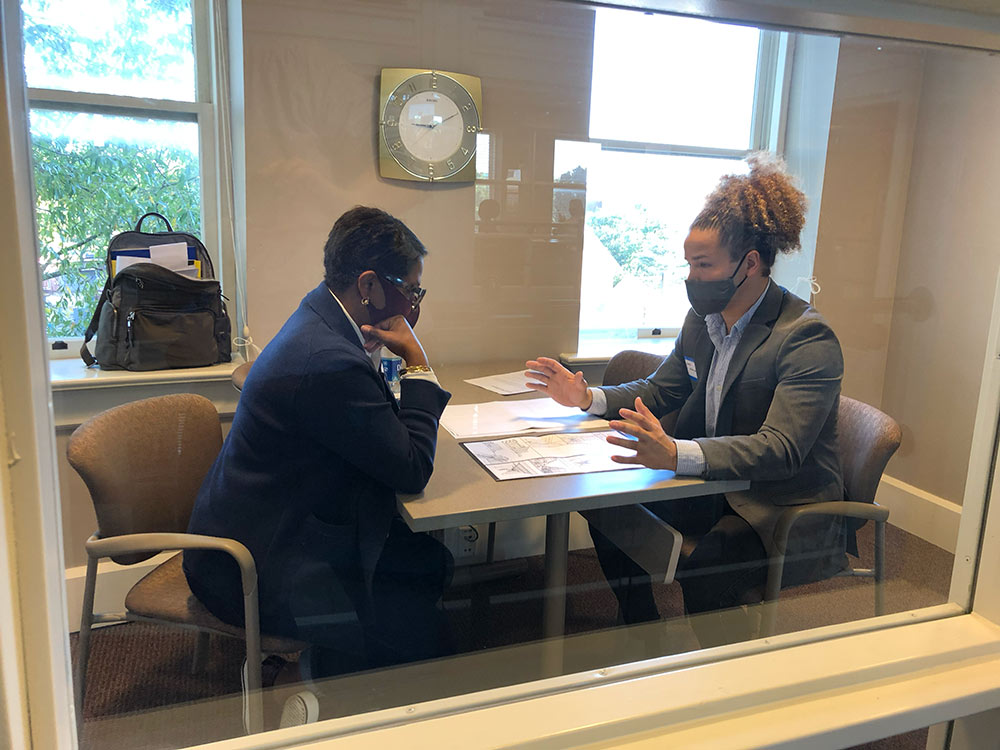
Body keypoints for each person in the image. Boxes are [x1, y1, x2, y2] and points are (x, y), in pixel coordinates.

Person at [525, 154, 845, 647]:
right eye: (688, 264)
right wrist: (587, 396)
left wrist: (677, 454)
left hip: (777, 505)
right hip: (714, 486)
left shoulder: (805, 338)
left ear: (750, 264)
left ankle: (730, 675)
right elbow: (660, 390)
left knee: (707, 569)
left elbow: (781, 450)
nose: (692, 278)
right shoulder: (704, 320)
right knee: (608, 508)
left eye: (704, 265)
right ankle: (644, 629)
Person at [183, 206, 453, 713]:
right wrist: (417, 362)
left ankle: (353, 668)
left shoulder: (319, 315)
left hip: (260, 529)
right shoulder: (327, 361)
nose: (416, 302)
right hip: (254, 567)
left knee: (428, 565)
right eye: (412, 290)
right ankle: (322, 687)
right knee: (425, 621)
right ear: (369, 285)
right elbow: (413, 468)